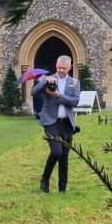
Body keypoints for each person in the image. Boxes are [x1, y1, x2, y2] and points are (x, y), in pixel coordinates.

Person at [32, 55, 81, 193]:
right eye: (59, 67)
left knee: (64, 156)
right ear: (56, 66)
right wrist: (44, 81)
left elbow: (75, 101)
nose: (61, 70)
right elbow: (33, 92)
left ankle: (62, 188)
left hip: (67, 123)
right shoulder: (49, 79)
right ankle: (45, 179)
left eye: (64, 68)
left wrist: (59, 96)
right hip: (50, 122)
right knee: (56, 152)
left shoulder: (75, 83)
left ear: (70, 67)